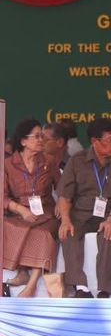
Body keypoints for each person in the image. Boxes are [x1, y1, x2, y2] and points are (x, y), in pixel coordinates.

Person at [57, 118, 111, 298]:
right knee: (68, 233)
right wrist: (65, 220)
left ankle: (103, 289)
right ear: (94, 141)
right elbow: (65, 196)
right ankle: (80, 287)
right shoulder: (77, 160)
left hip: (109, 212)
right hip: (81, 213)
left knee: (109, 234)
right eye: (109, 139)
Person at [3, 119, 61, 297]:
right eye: (36, 136)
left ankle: (32, 284)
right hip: (19, 212)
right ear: (23, 141)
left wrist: (62, 203)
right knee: (9, 226)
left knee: (43, 233)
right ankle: (22, 272)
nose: (41, 140)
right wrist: (20, 210)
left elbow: (63, 189)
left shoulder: (49, 161)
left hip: (46, 212)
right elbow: (3, 196)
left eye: (42, 136)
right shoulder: (8, 164)